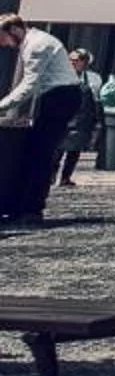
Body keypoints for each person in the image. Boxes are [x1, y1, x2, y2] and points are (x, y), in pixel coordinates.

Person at [0, 14, 93, 222]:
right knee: (35, 150)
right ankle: (21, 206)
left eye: (2, 38)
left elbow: (29, 85)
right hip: (57, 96)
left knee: (40, 152)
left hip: (61, 97)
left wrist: (2, 106)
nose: (3, 44)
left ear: (13, 30)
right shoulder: (34, 41)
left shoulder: (36, 46)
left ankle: (32, 209)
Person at [54, 46, 95, 186]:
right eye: (70, 59)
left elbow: (93, 102)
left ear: (84, 63)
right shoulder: (59, 76)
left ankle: (65, 178)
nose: (72, 62)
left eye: (76, 60)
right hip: (61, 118)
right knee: (56, 151)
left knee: (74, 152)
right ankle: (50, 177)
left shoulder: (92, 79)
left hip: (80, 120)